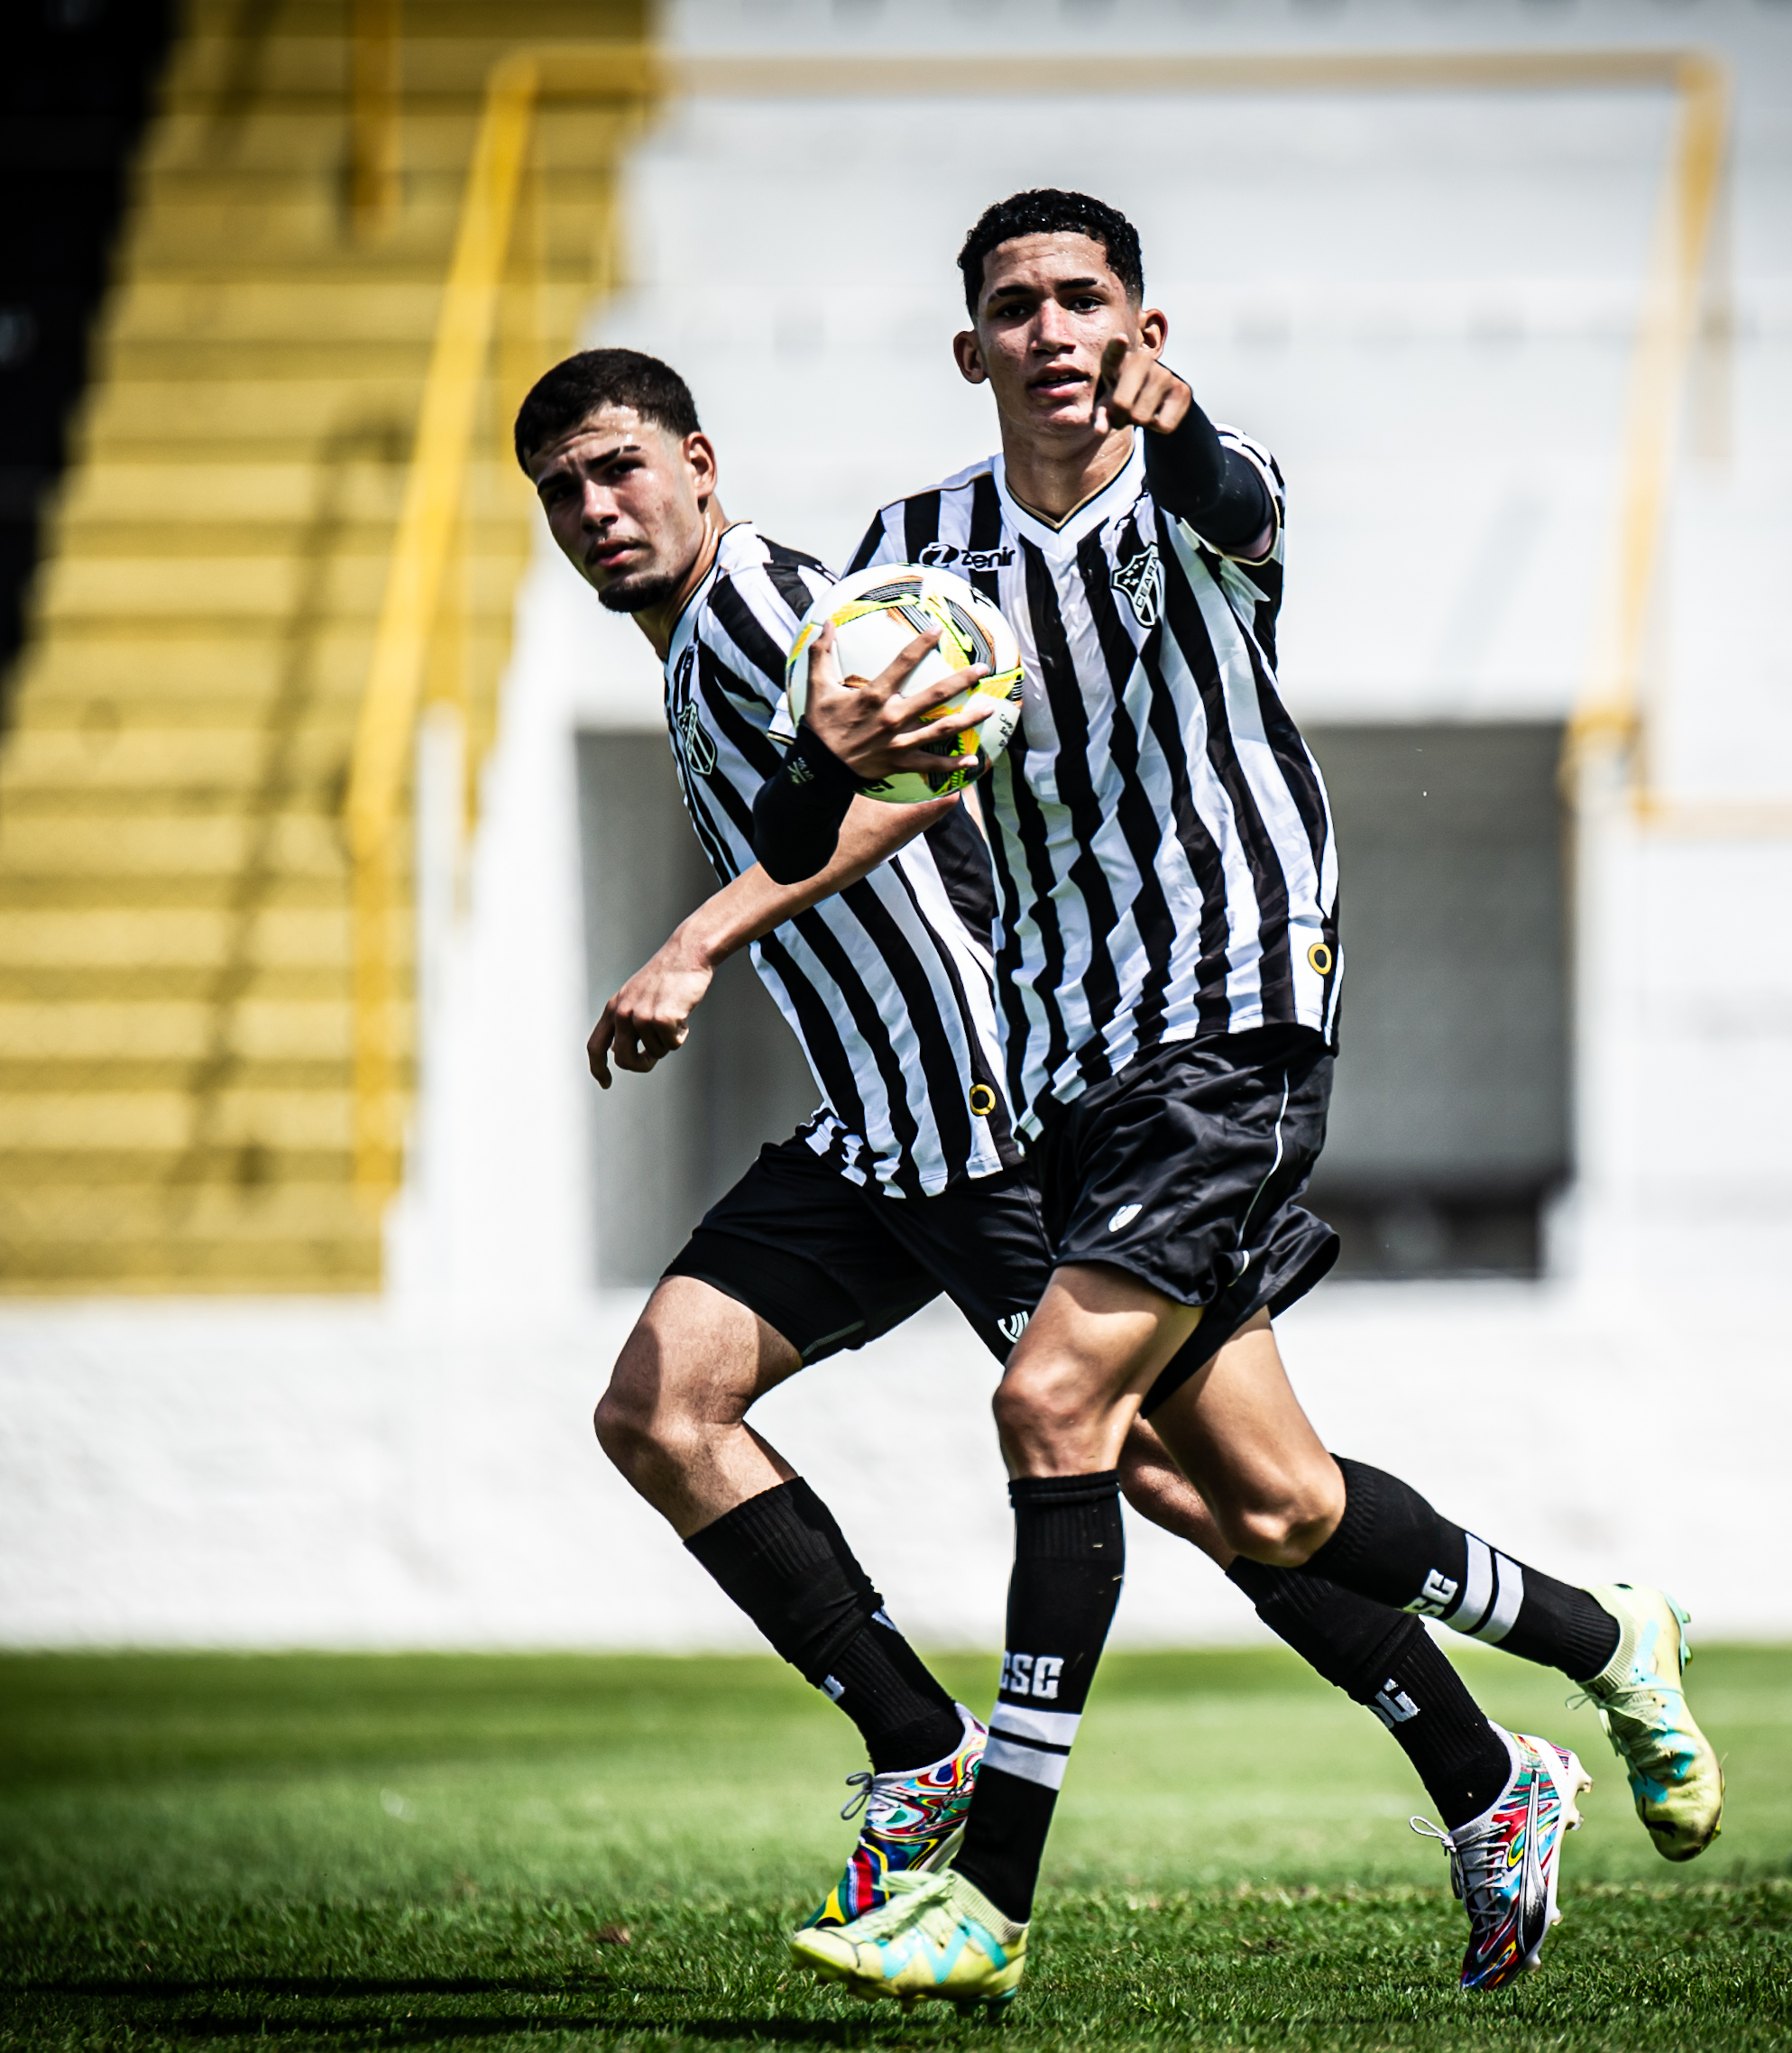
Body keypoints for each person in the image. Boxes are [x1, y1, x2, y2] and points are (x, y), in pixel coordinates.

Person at [752, 191, 1723, 2004]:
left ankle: (990, 1898)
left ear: (1142, 330)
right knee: (1272, 1502)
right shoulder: (914, 555)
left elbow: (1235, 500)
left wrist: (1177, 417)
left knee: (1055, 1403)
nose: (1052, 330)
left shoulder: (1202, 487)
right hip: (1068, 1050)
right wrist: (828, 750)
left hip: (1232, 1012)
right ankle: (1599, 1648)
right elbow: (822, 819)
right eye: (1016, 306)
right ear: (970, 348)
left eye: (1085, 300)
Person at [517, 347, 1580, 1945]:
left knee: (1196, 1481)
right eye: (564, 491)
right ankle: (918, 1746)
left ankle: (1489, 1771)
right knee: (662, 1411)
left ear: (701, 466)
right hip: (877, 1135)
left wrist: (696, 941)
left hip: (988, 1115)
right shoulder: (688, 646)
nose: (598, 508)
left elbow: (926, 764)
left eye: (621, 468)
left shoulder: (771, 607)